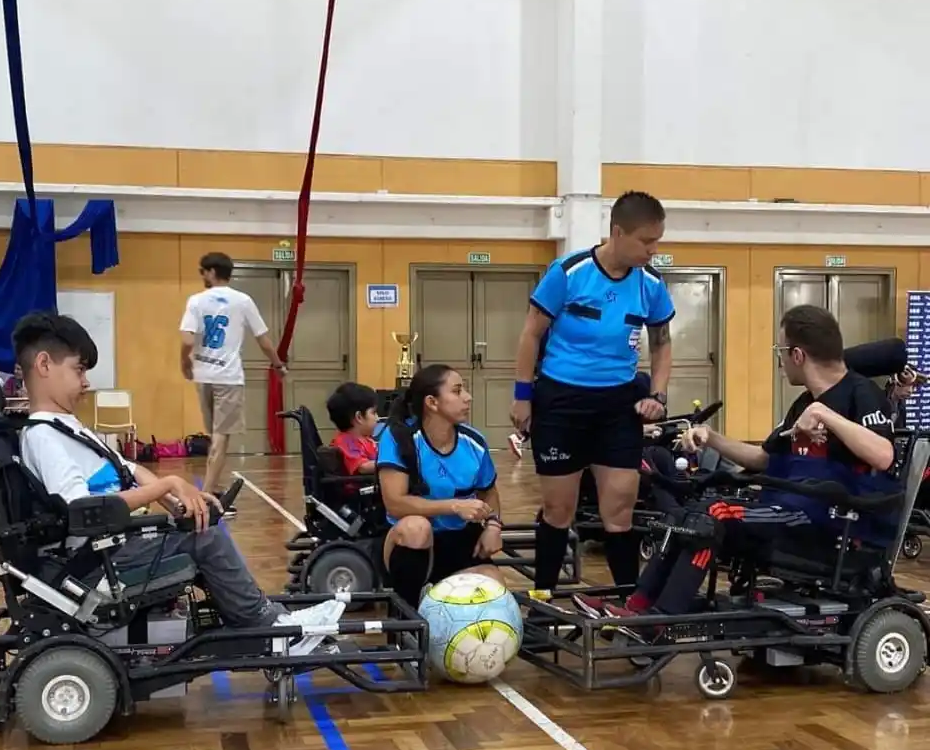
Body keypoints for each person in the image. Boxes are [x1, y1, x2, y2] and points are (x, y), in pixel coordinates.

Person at [574, 305, 897, 631]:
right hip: (791, 508)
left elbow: (883, 455)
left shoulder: (860, 393)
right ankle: (637, 606)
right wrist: (712, 438)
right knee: (682, 514)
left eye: (780, 351)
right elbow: (764, 459)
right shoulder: (803, 403)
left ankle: (662, 620)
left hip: (830, 523)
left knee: (714, 516)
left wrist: (826, 415)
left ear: (797, 354)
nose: (780, 360)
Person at [13, 312, 319, 648]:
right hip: (97, 560)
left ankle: (252, 614)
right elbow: (85, 512)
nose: (86, 382)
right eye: (79, 369)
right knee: (207, 538)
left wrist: (170, 495)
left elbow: (125, 466)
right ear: (44, 364)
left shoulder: (66, 426)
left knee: (198, 525)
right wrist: (165, 486)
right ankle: (268, 627)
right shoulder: (45, 437)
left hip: (110, 546)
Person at [510, 191, 674, 599]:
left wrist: (658, 393)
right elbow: (530, 334)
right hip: (561, 402)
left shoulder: (651, 285)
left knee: (619, 511)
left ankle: (628, 606)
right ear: (618, 232)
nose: (653, 250)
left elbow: (662, 342)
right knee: (558, 511)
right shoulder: (569, 272)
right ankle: (542, 604)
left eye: (658, 241)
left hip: (618, 406)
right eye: (645, 241)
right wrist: (522, 395)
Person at [377, 365, 504, 608]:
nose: (468, 397)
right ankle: (406, 618)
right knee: (417, 528)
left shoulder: (474, 442)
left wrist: (494, 526)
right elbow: (395, 504)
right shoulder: (399, 437)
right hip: (410, 543)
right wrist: (454, 506)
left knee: (494, 586)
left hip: (458, 540)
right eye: (457, 391)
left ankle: (438, 601)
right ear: (432, 402)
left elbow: (489, 491)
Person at [179, 252, 287, 502]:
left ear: (212, 272)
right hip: (228, 377)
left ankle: (210, 485)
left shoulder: (196, 301)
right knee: (220, 436)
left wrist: (185, 362)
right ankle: (207, 493)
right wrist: (278, 364)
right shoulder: (243, 301)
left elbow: (186, 339)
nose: (202, 276)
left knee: (214, 434)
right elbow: (263, 340)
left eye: (203, 271)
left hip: (203, 375)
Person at [326, 382, 380, 476]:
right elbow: (363, 467)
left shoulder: (366, 440)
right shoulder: (346, 441)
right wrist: (391, 465)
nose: (377, 418)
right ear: (359, 417)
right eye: (373, 413)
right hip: (360, 488)